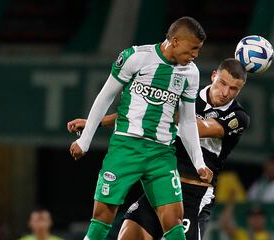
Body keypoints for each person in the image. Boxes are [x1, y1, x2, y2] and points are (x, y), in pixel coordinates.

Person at [68, 58, 250, 239]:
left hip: (193, 194)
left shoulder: (238, 117)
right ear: (213, 76)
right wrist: (95, 122)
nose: (225, 92)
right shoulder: (189, 94)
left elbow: (198, 129)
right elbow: (139, 113)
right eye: (222, 83)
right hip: (161, 184)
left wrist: (165, 109)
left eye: (233, 88)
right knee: (128, 234)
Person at [68, 16, 213, 240]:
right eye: (193, 48)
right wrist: (85, 140)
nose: (195, 55)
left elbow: (186, 121)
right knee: (101, 220)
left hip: (162, 154)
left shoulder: (190, 73)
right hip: (126, 148)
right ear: (175, 41)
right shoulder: (136, 57)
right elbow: (105, 97)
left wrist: (199, 163)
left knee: (174, 223)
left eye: (198, 50)